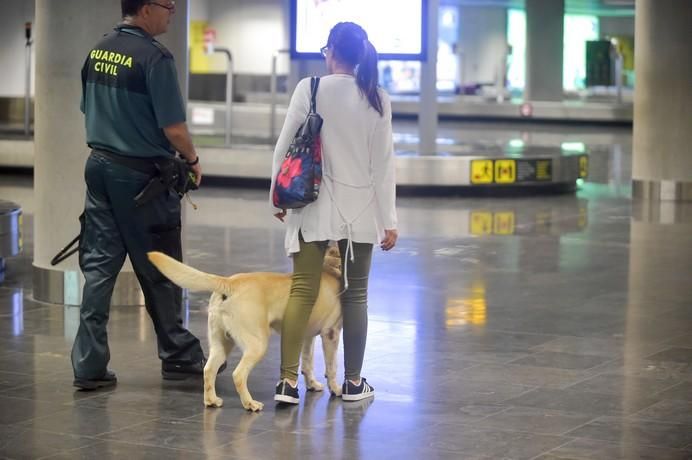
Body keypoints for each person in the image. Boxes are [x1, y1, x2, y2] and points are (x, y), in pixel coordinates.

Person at [71, 0, 224, 390]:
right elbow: (173, 128)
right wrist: (192, 158)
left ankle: (88, 366)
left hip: (100, 168)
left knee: (99, 268)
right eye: (167, 5)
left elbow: (86, 108)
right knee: (162, 266)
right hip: (141, 179)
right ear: (145, 9)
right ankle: (179, 356)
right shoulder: (155, 58)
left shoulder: (99, 48)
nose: (172, 11)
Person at [270, 22, 398, 404]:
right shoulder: (376, 97)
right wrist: (388, 220)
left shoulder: (308, 89)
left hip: (311, 203)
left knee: (302, 290)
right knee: (355, 295)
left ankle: (288, 383)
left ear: (330, 51)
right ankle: (354, 383)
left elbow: (284, 149)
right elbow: (384, 166)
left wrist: (279, 197)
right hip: (359, 211)